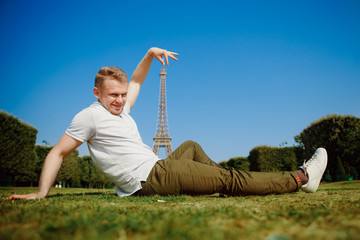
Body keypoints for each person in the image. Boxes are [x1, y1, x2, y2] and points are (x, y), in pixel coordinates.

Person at [7, 47, 327, 200]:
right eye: (112, 95)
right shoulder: (89, 116)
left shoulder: (120, 109)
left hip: (156, 166)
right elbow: (57, 153)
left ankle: (222, 186)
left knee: (188, 145)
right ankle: (299, 179)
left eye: (121, 94)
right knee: (230, 176)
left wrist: (149, 54)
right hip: (153, 177)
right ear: (96, 93)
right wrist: (40, 193)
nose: (119, 99)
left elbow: (136, 81)